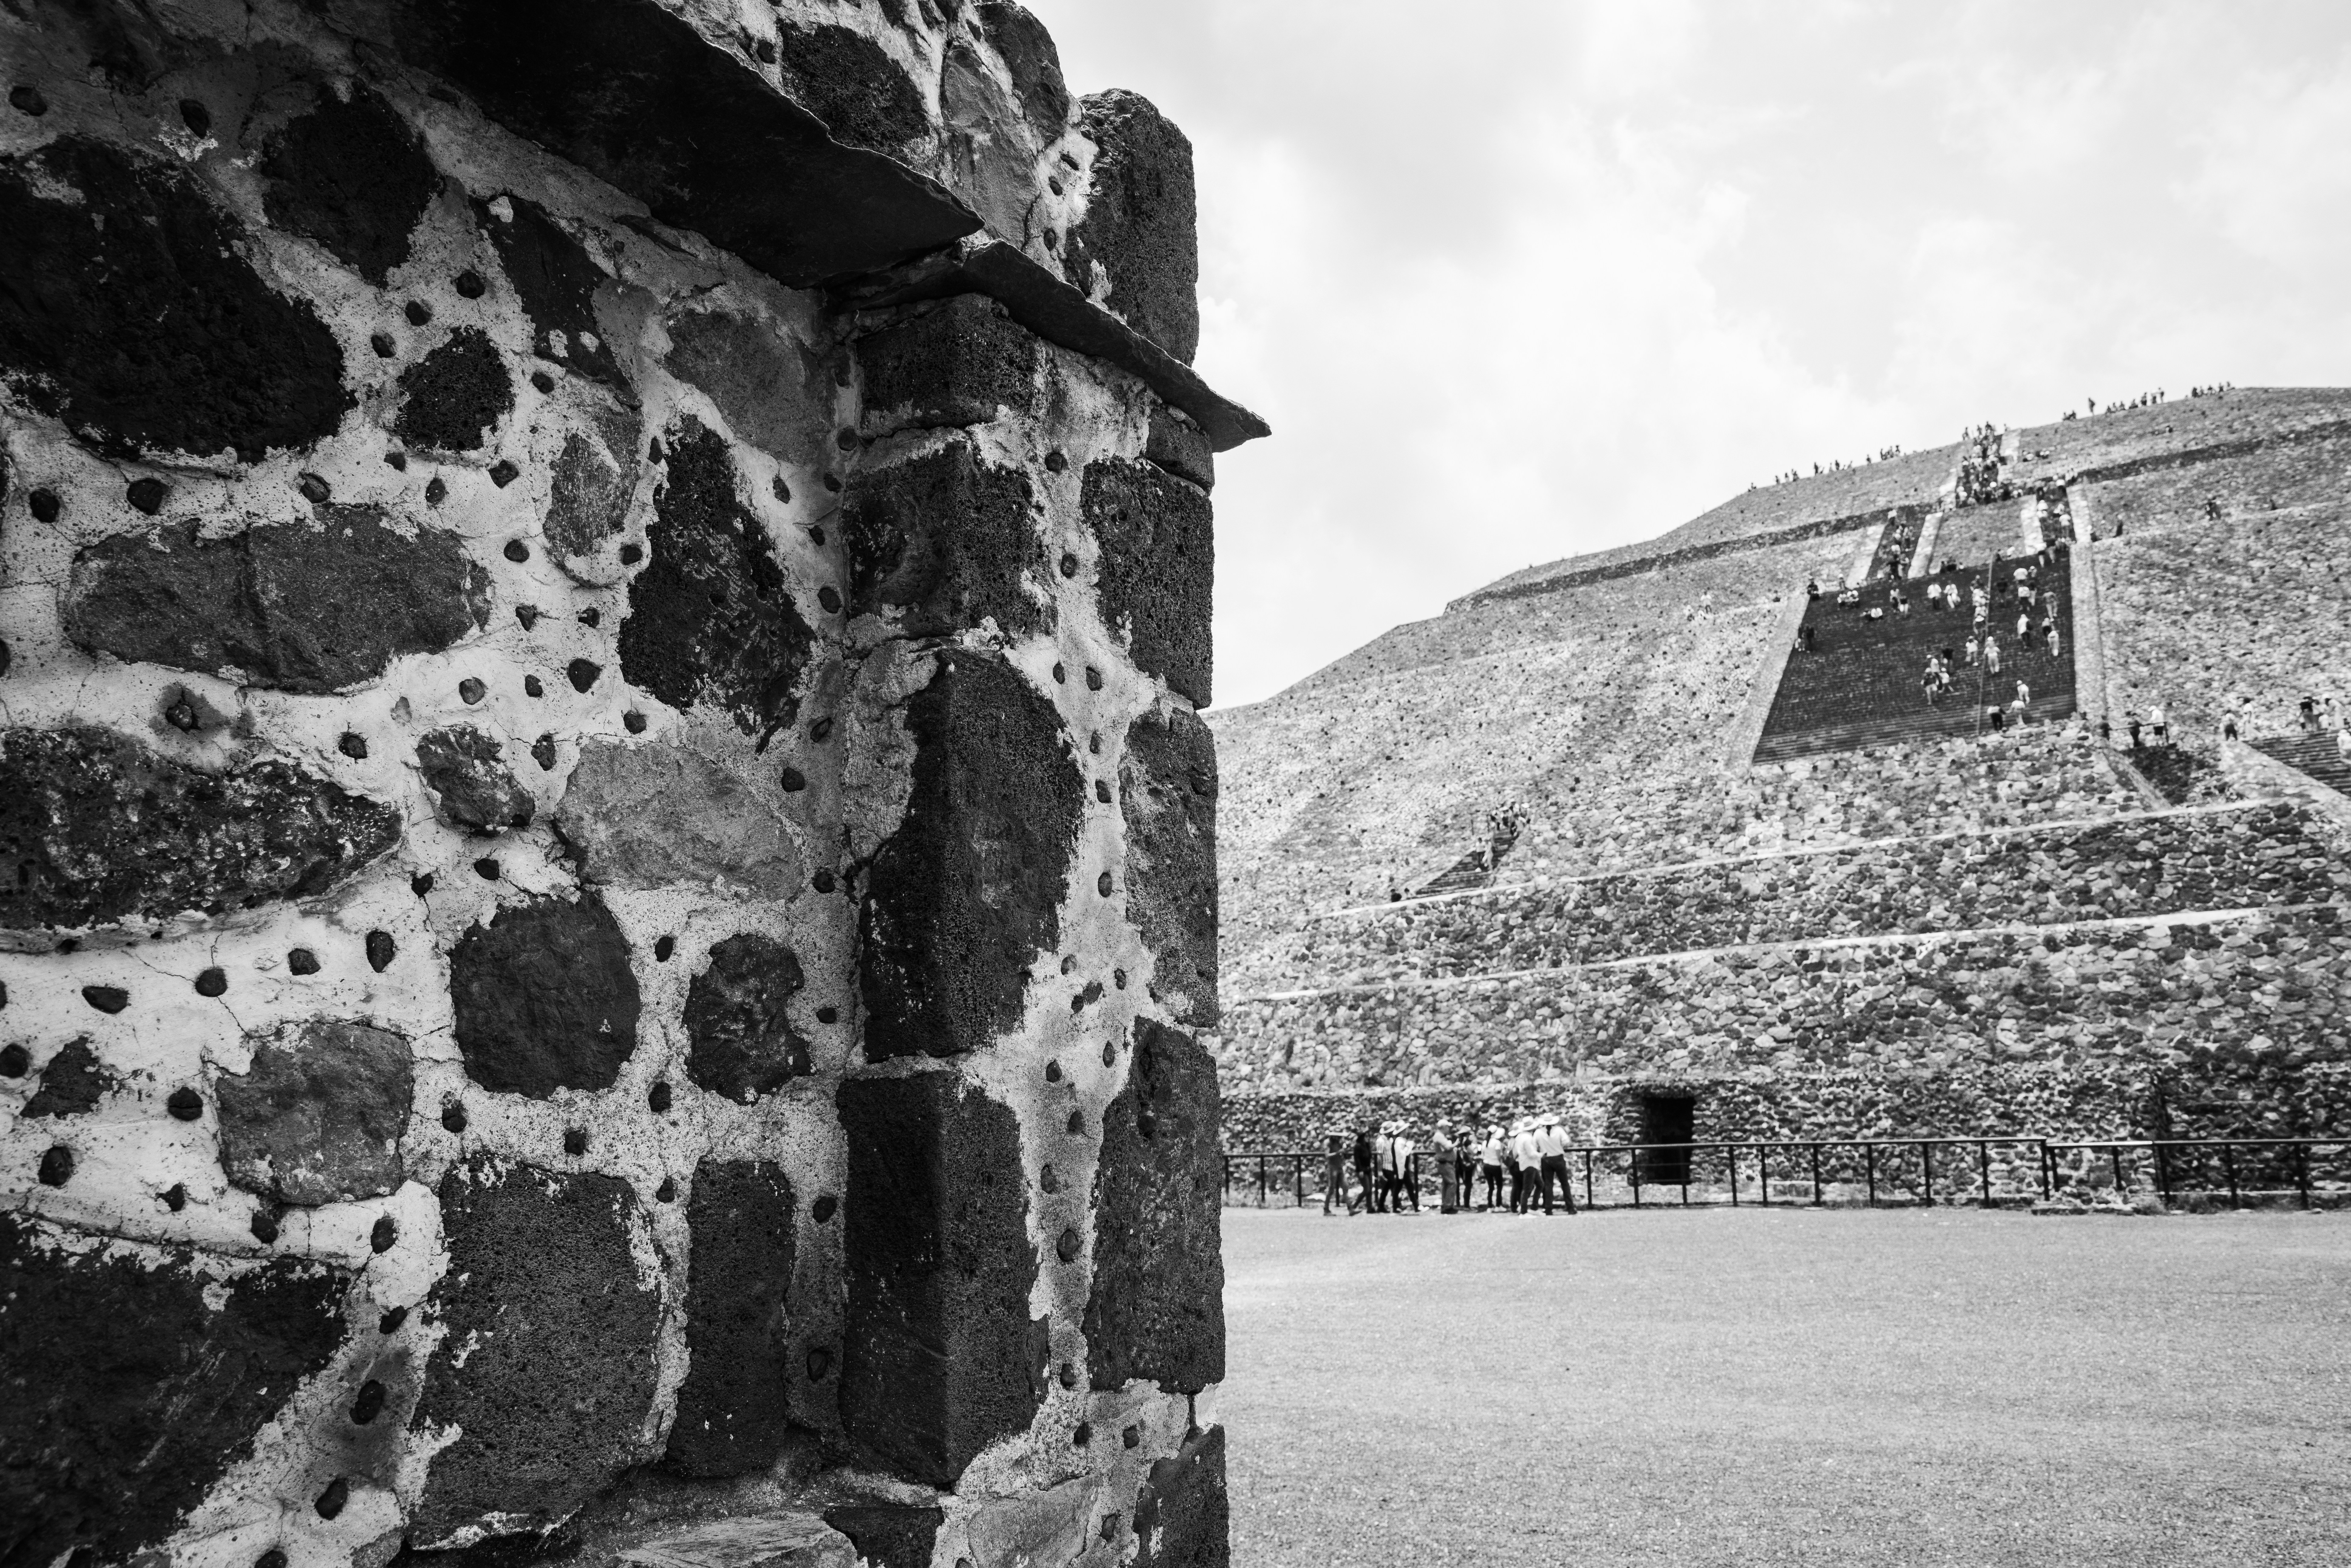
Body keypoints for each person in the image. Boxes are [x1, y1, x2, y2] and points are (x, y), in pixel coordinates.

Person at [1535, 1115, 1577, 1214]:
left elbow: (1535, 1145)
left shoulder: (1538, 1132)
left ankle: (1548, 1208)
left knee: (1549, 1184)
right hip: (1558, 1158)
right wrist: (1559, 1145)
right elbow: (1567, 1142)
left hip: (1546, 1159)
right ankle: (1570, 1208)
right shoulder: (1559, 1130)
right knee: (1565, 1184)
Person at [1431, 1122, 1460, 1214]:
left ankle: (1446, 1205)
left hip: (1446, 1163)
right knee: (1452, 1183)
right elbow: (1447, 1147)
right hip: (1445, 1163)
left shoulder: (1441, 1136)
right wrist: (1456, 1144)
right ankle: (1448, 1206)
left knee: (1447, 1185)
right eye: (1448, 1127)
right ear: (1444, 1127)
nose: (1449, 1129)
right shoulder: (1439, 1136)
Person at [1322, 1131, 1353, 1215]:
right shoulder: (1328, 1143)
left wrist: (1345, 1151)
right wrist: (1338, 1153)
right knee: (1331, 1189)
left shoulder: (1339, 1142)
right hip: (1333, 1168)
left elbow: (1343, 1153)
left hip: (1340, 1167)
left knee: (1345, 1187)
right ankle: (1326, 1209)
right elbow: (1327, 1156)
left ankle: (1351, 1209)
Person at [1480, 1123, 1507, 1210]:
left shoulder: (1485, 1142)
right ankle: (1499, 1205)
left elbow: (1483, 1155)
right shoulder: (1497, 1142)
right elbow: (1499, 1156)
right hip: (1495, 1166)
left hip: (1487, 1166)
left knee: (1491, 1187)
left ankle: (1490, 1206)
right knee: (1499, 1186)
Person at [1352, 1126, 1378, 1212]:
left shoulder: (1367, 1146)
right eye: (1366, 1137)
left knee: (1370, 1190)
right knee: (1366, 1189)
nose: (1368, 1138)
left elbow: (1369, 1157)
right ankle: (1355, 1205)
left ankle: (1370, 1208)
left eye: (1368, 1137)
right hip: (1362, 1170)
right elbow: (1357, 1159)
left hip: (1368, 1169)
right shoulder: (1358, 1147)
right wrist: (1360, 1170)